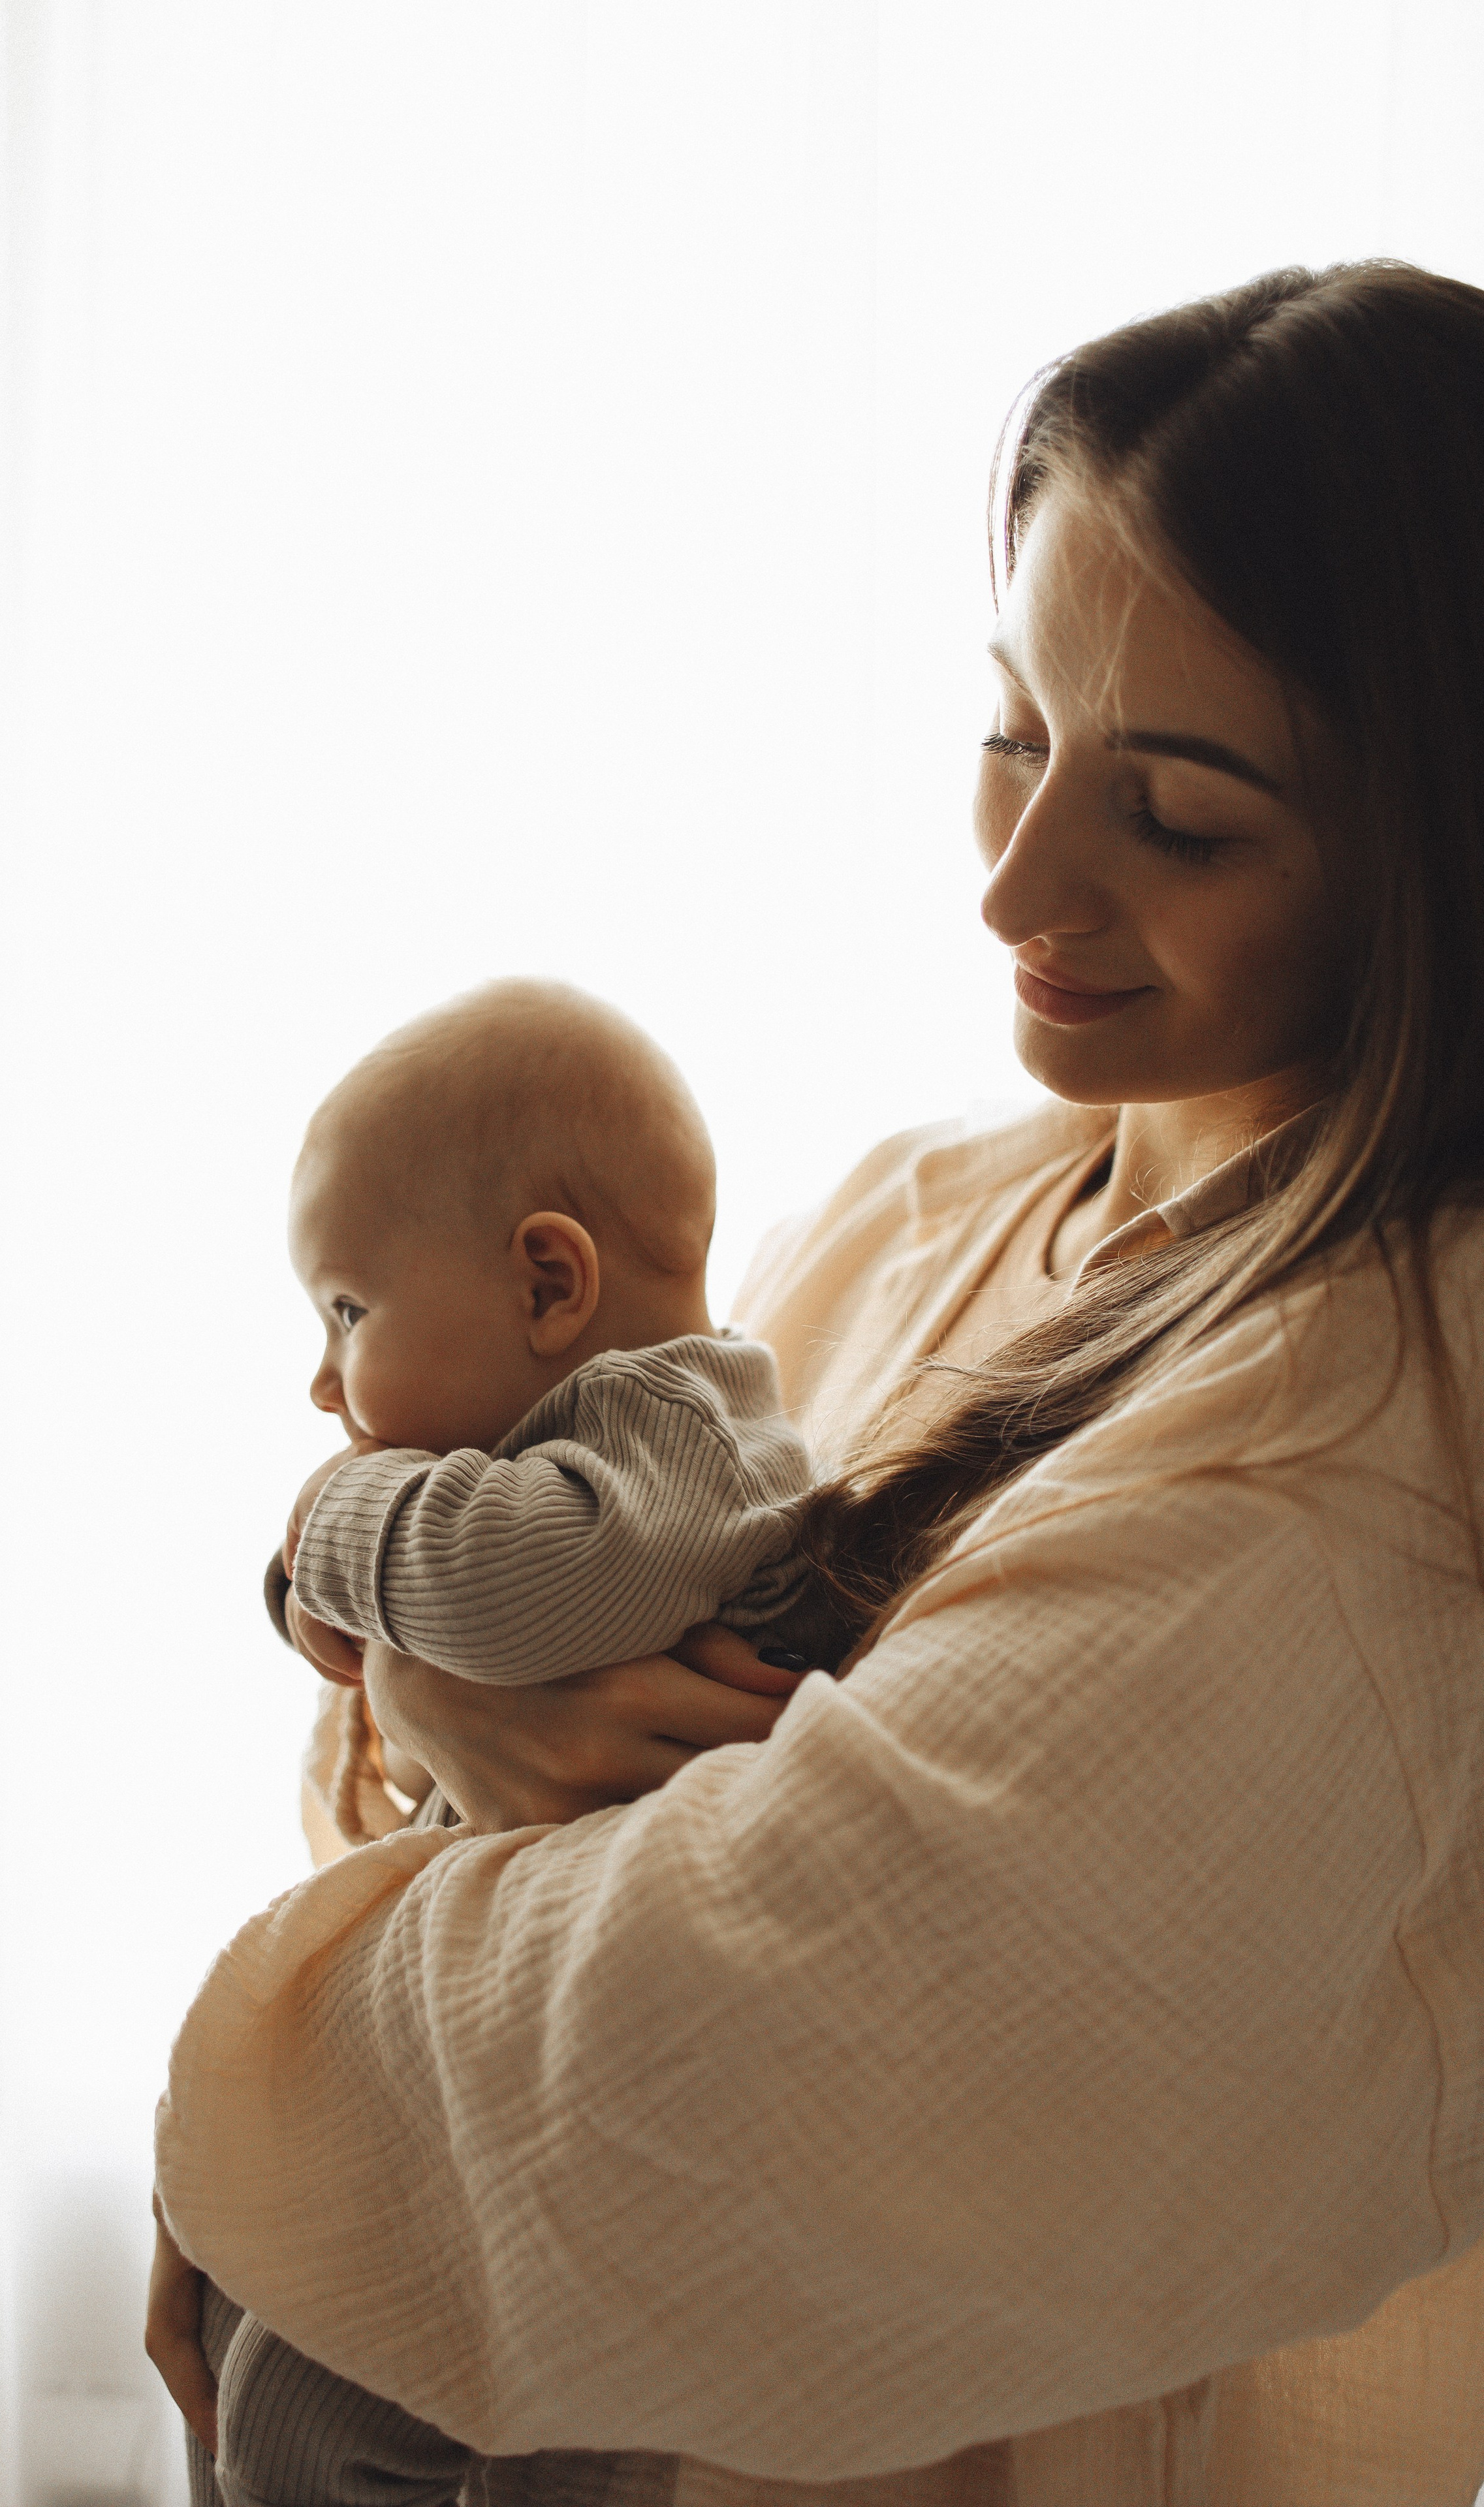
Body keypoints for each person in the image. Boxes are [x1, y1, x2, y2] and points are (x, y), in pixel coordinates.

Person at [149, 261, 1484, 2505]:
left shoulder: (1379, 1433)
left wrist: (423, 1713)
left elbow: (718, 2063)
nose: (1022, 886)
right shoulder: (911, 1206)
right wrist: (432, 1690)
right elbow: (422, 1759)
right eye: (1010, 733)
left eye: (1179, 816)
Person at [186, 979, 838, 2506]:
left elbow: (509, 1585)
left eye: (347, 1310)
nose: (321, 1377)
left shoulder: (680, 1427)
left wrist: (328, 1518)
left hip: (594, 2080)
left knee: (303, 2418)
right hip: (550, 2070)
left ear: (550, 1284)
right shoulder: (593, 1440)